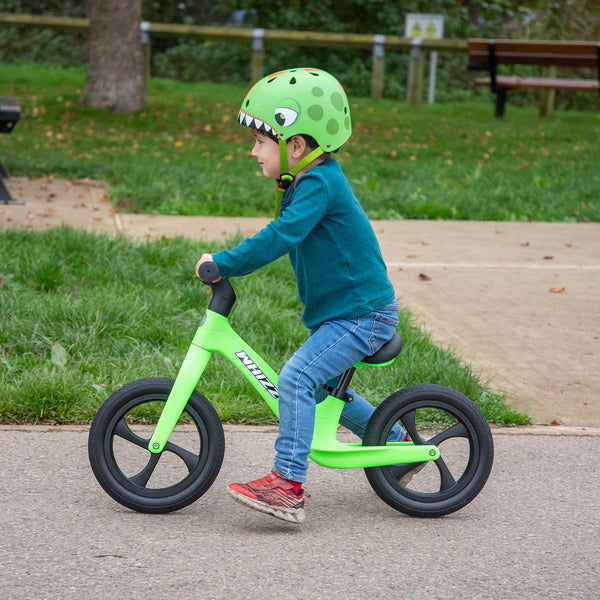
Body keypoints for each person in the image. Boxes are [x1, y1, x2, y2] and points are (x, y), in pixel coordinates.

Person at [196, 67, 406, 524]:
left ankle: (287, 485)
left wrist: (225, 262)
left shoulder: (318, 184)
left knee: (295, 379)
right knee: (326, 388)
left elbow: (282, 237)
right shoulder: (307, 181)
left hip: (362, 317)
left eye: (260, 141)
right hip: (348, 313)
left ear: (296, 145)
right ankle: (399, 448)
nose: (252, 151)